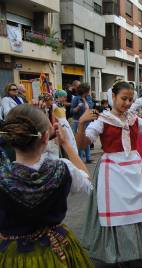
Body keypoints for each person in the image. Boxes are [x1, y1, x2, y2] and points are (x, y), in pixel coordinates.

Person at [77, 81, 142, 266]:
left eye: (130, 99)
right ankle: (115, 251)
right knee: (115, 209)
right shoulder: (102, 120)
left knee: (138, 205)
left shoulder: (134, 118)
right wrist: (81, 124)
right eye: (123, 98)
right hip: (112, 169)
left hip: (134, 167)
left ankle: (135, 249)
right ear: (113, 97)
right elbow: (82, 144)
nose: (127, 103)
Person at [0, 104, 93, 267]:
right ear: (45, 137)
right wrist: (65, 144)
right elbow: (86, 180)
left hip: (13, 254)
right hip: (57, 249)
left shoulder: (2, 176)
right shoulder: (62, 168)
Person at [71, 83, 94, 163]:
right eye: (88, 90)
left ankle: (88, 158)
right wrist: (77, 107)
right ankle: (79, 159)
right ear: (85, 91)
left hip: (87, 122)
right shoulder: (76, 98)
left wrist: (84, 100)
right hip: (77, 121)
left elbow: (90, 108)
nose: (89, 92)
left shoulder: (88, 98)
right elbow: (71, 111)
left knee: (87, 139)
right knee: (79, 140)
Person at [54, 90, 78, 154]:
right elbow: (52, 115)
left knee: (71, 139)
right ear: (60, 97)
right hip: (60, 125)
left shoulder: (61, 105)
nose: (65, 98)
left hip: (66, 124)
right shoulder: (54, 105)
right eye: (64, 97)